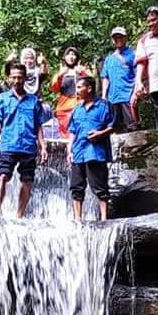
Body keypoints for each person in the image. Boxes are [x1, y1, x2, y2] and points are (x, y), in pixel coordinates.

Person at [0, 63, 48, 218]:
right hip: (9, 144)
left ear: (25, 78)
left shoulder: (34, 101)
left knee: (27, 181)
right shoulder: (2, 98)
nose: (17, 80)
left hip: (28, 146)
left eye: (20, 77)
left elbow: (38, 125)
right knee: (2, 176)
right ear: (9, 78)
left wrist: (43, 147)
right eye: (14, 77)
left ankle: (19, 215)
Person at [66, 76, 114, 221]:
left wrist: (100, 134)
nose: (77, 90)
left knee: (100, 186)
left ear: (89, 88)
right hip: (78, 152)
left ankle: (104, 218)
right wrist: (69, 150)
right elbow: (72, 131)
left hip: (96, 153)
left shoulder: (104, 106)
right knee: (76, 187)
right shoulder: (76, 110)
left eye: (80, 87)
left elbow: (114, 126)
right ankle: (78, 218)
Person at [101, 26, 138, 132]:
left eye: (120, 37)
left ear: (125, 38)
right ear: (113, 40)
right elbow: (106, 77)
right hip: (113, 98)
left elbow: (137, 74)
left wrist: (136, 93)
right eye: (116, 38)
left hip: (127, 96)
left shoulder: (132, 55)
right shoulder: (109, 59)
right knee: (115, 127)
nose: (118, 40)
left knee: (131, 126)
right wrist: (104, 96)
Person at [50, 47, 92, 137]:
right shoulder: (61, 71)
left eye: (73, 55)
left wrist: (82, 72)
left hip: (79, 104)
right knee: (65, 133)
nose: (71, 57)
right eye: (68, 54)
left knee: (79, 131)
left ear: (77, 57)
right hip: (64, 106)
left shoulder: (81, 70)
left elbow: (91, 84)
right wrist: (60, 75)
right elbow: (54, 88)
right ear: (65, 57)